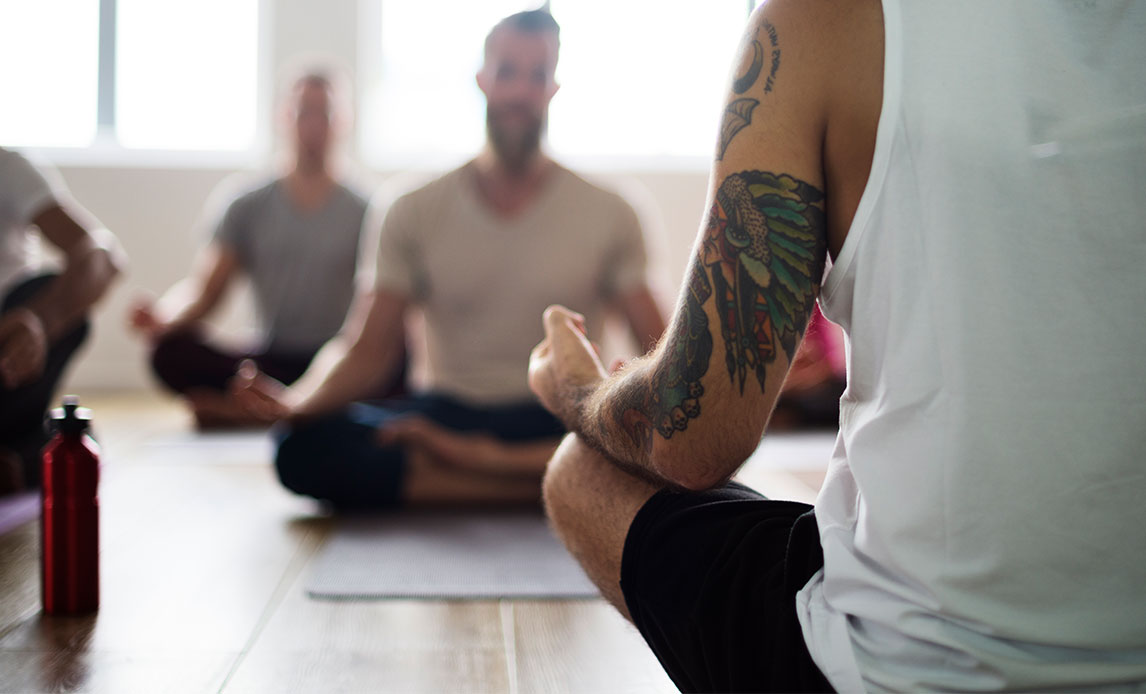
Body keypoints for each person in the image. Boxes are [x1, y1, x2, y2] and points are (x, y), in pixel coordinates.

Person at [529, 0, 1146, 692]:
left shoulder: (824, 20)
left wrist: (576, 388)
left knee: (579, 472)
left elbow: (692, 437)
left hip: (901, 666)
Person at [232, 9, 666, 509]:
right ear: (482, 79)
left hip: (561, 415)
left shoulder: (613, 211)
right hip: (447, 412)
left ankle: (470, 470)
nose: (520, 92)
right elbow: (365, 348)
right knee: (300, 448)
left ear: (553, 87)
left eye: (537, 75)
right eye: (507, 72)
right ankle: (547, 486)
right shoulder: (411, 208)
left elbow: (657, 351)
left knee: (664, 445)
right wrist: (296, 402)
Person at [127, 69, 400, 428]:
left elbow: (383, 314)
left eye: (326, 114)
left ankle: (252, 410)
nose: (315, 125)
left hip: (339, 359)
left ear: (344, 121)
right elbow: (205, 291)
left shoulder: (370, 210)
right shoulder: (247, 203)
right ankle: (279, 404)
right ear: (285, 116)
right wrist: (164, 317)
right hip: (268, 360)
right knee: (168, 351)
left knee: (398, 359)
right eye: (305, 112)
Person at [0, 147, 124, 494]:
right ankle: (27, 455)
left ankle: (25, 453)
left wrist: (38, 321)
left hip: (8, 353)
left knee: (54, 293)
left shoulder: (9, 168)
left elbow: (102, 255)